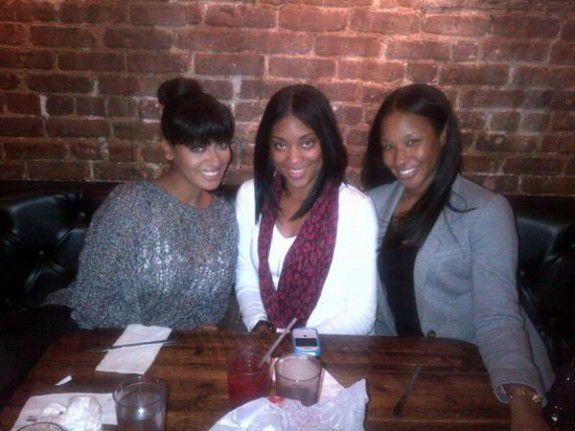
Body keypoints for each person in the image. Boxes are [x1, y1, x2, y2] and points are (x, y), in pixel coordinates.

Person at [362, 84, 554, 430]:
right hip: (407, 373)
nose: (398, 159)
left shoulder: (485, 211)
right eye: (388, 147)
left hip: (482, 372)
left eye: (412, 142)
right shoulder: (373, 204)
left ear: (442, 136)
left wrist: (523, 403)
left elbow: (498, 318)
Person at [47, 77, 238, 329]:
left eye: (222, 144)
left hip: (174, 346)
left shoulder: (223, 216)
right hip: (89, 332)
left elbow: (214, 304)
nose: (216, 159)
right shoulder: (131, 205)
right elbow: (92, 301)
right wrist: (162, 337)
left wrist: (197, 332)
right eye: (198, 148)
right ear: (168, 149)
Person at [235, 84, 377, 335]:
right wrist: (259, 324)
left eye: (307, 143)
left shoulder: (356, 209)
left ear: (326, 141)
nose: (293, 158)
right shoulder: (250, 196)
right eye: (280, 145)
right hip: (265, 344)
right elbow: (247, 276)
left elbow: (361, 315)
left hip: (330, 348)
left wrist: (297, 344)